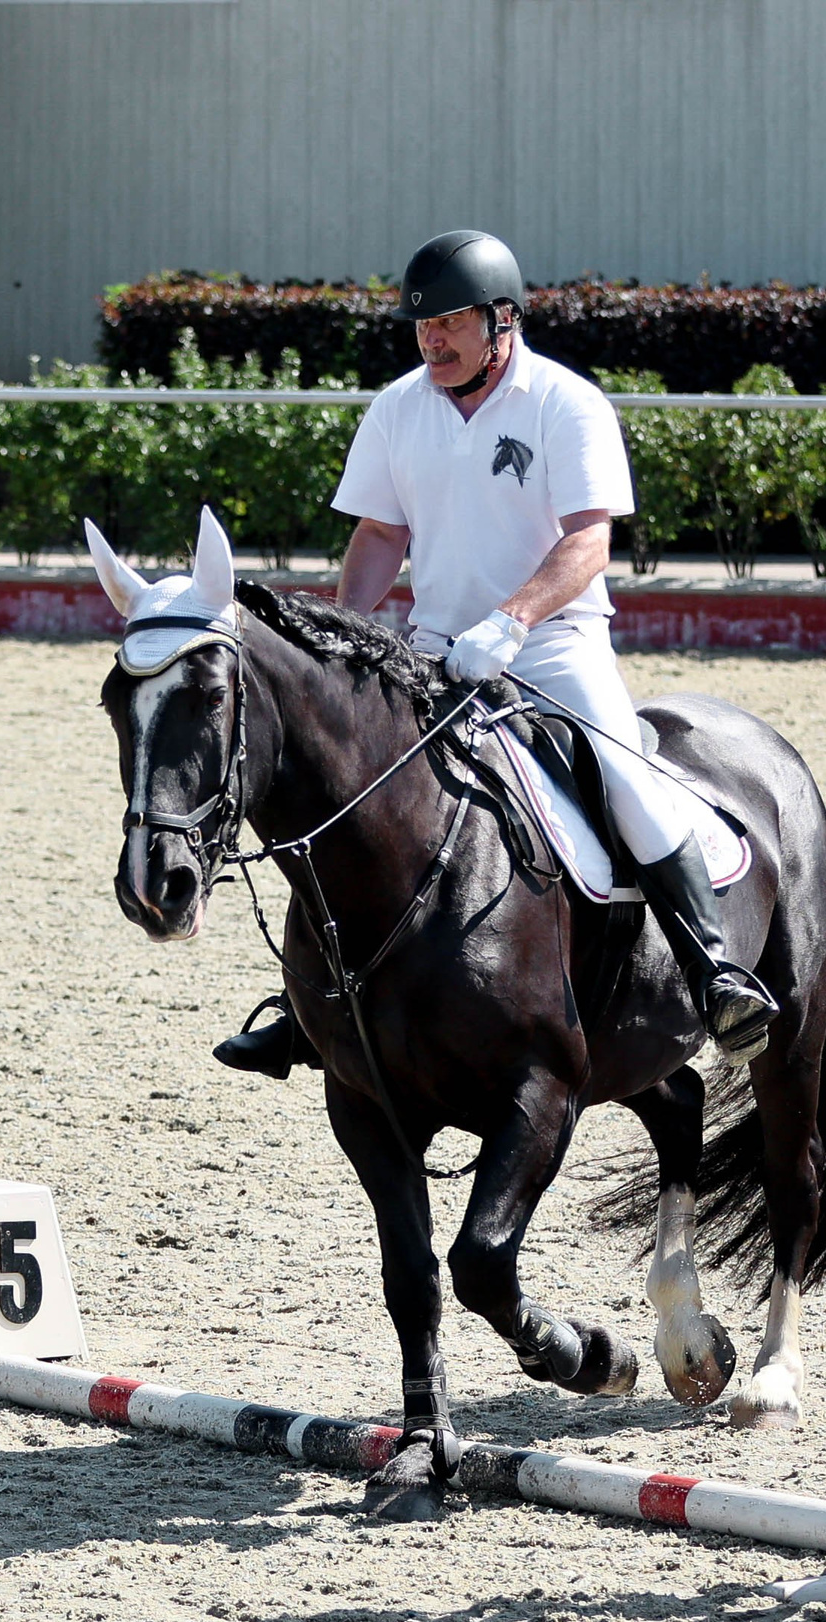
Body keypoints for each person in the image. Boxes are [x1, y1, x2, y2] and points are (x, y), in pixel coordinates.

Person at [216, 229, 777, 1079]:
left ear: (501, 318)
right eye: (419, 325)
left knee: (624, 774)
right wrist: (336, 640)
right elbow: (378, 533)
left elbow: (588, 541)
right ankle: (306, 1007)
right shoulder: (399, 407)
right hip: (433, 647)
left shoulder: (565, 403)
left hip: (552, 644)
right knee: (347, 785)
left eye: (448, 323)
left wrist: (510, 623)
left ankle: (713, 969)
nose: (430, 339)